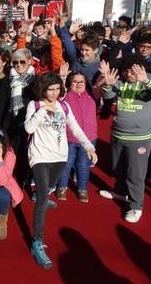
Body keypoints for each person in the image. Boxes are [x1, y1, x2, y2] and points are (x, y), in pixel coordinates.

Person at [24, 72, 97, 269]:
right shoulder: (35, 105)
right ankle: (37, 242)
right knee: (41, 199)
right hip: (39, 156)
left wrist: (89, 146)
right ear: (43, 89)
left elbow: (74, 127)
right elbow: (29, 128)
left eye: (57, 89)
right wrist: (42, 111)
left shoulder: (64, 106)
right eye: (50, 89)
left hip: (60, 156)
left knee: (50, 185)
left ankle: (43, 194)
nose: (55, 93)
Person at [98, 56, 151, 223]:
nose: (129, 74)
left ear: (142, 69)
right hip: (118, 135)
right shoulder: (120, 83)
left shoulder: (149, 82)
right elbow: (107, 97)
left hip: (140, 138)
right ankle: (121, 192)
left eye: (133, 70)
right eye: (127, 70)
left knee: (136, 174)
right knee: (118, 167)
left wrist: (146, 82)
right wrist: (107, 84)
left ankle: (136, 206)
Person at [56, 72, 98, 202]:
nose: (78, 84)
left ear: (86, 84)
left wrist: (102, 77)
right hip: (70, 138)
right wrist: (62, 77)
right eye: (74, 82)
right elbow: (59, 94)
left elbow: (99, 88)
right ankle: (62, 187)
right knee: (66, 164)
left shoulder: (92, 96)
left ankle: (82, 189)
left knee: (83, 164)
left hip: (89, 138)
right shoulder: (66, 96)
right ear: (69, 84)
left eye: (81, 82)